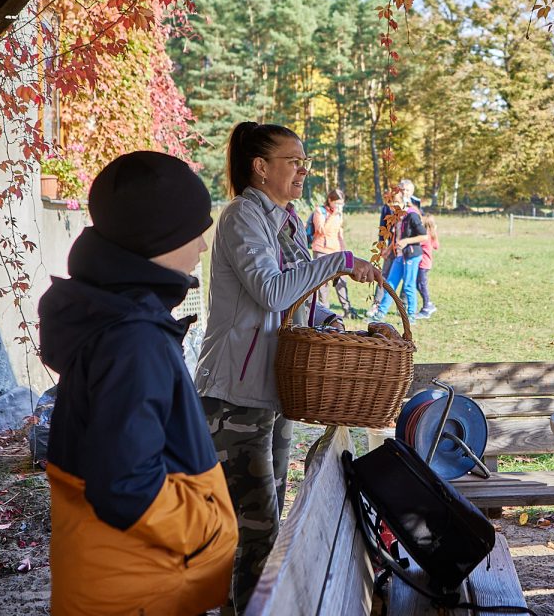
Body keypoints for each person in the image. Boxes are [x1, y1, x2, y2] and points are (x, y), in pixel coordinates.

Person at [40, 151, 236, 615]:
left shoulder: (114, 312)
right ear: (158, 238)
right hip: (136, 592)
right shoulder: (134, 338)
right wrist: (209, 525)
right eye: (195, 231)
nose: (202, 247)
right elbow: (126, 484)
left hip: (117, 582)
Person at [195, 122, 380, 615]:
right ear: (260, 167)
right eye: (293, 160)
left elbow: (293, 303)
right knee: (253, 533)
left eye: (305, 161)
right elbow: (272, 291)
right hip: (233, 396)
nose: (304, 169)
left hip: (273, 395)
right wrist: (338, 260)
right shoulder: (241, 219)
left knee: (264, 529)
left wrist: (330, 319)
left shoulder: (286, 219)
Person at [369, 184, 428, 323]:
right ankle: (381, 312)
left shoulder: (412, 215)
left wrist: (407, 241)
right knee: (390, 283)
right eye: (391, 203)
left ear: (403, 202)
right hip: (399, 255)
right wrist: (387, 250)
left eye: (396, 203)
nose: (392, 206)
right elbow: (395, 238)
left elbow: (424, 236)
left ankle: (411, 315)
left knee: (408, 285)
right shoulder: (396, 218)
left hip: (412, 255)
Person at [310, 188, 356, 317]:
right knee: (323, 283)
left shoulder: (339, 213)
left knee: (341, 280)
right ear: (330, 200)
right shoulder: (320, 212)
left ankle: (347, 309)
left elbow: (339, 233)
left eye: (341, 203)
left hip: (337, 251)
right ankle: (324, 311)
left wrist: (345, 251)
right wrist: (334, 215)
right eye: (337, 202)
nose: (339, 206)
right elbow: (321, 230)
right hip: (322, 250)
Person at [415, 213, 439, 319]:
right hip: (427, 264)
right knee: (419, 284)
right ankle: (428, 304)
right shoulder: (432, 235)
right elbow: (436, 246)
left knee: (421, 285)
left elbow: (416, 244)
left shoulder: (424, 236)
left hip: (422, 264)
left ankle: (427, 306)